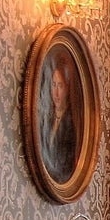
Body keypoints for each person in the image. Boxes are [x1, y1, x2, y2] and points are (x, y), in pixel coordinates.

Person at [40, 50, 81, 184]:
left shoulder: (70, 123)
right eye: (53, 85)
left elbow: (66, 167)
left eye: (60, 86)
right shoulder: (48, 119)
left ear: (67, 89)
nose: (56, 93)